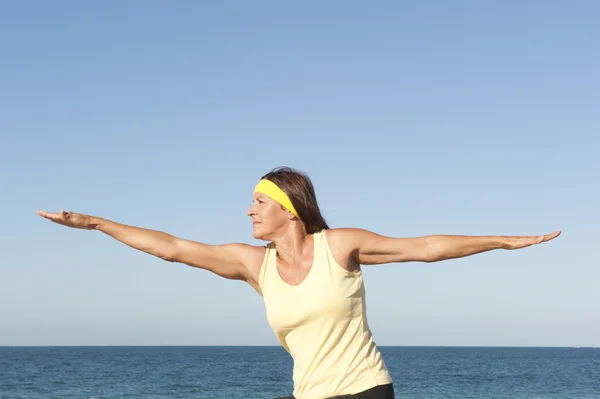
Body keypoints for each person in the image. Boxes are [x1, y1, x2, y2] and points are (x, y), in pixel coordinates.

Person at [37, 166, 561, 399]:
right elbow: (174, 249)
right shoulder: (254, 265)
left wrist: (504, 240)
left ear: (288, 209)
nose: (249, 211)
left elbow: (424, 248)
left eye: (258, 202)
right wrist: (96, 224)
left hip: (363, 392)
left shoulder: (338, 246)